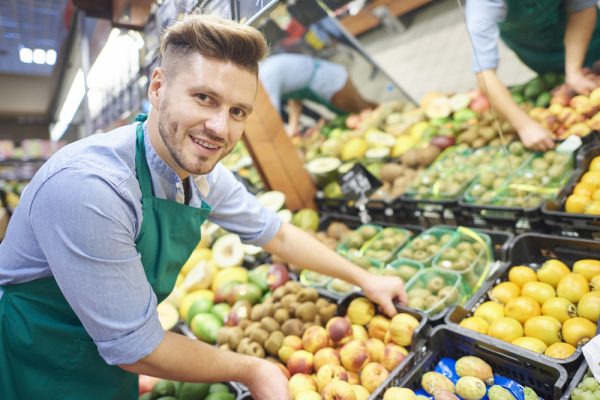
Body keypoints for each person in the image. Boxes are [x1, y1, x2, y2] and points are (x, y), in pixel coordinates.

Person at [0, 15, 407, 400]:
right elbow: (136, 349)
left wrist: (364, 277)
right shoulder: (91, 188)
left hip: (104, 356)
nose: (220, 128)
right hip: (31, 360)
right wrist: (252, 369)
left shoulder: (200, 173)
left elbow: (275, 232)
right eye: (203, 98)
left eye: (237, 112)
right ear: (158, 88)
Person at [465, 0, 600, 151]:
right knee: (556, 82)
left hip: (588, 36)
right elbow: (484, 72)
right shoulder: (483, 4)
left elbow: (581, 8)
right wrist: (524, 125)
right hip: (537, 50)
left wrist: (573, 71)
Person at [259, 53, 377, 135]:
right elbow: (295, 98)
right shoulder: (266, 72)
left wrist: (288, 131)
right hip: (327, 86)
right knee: (355, 119)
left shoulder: (266, 76)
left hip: (333, 82)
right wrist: (293, 126)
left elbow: (271, 116)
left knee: (366, 112)